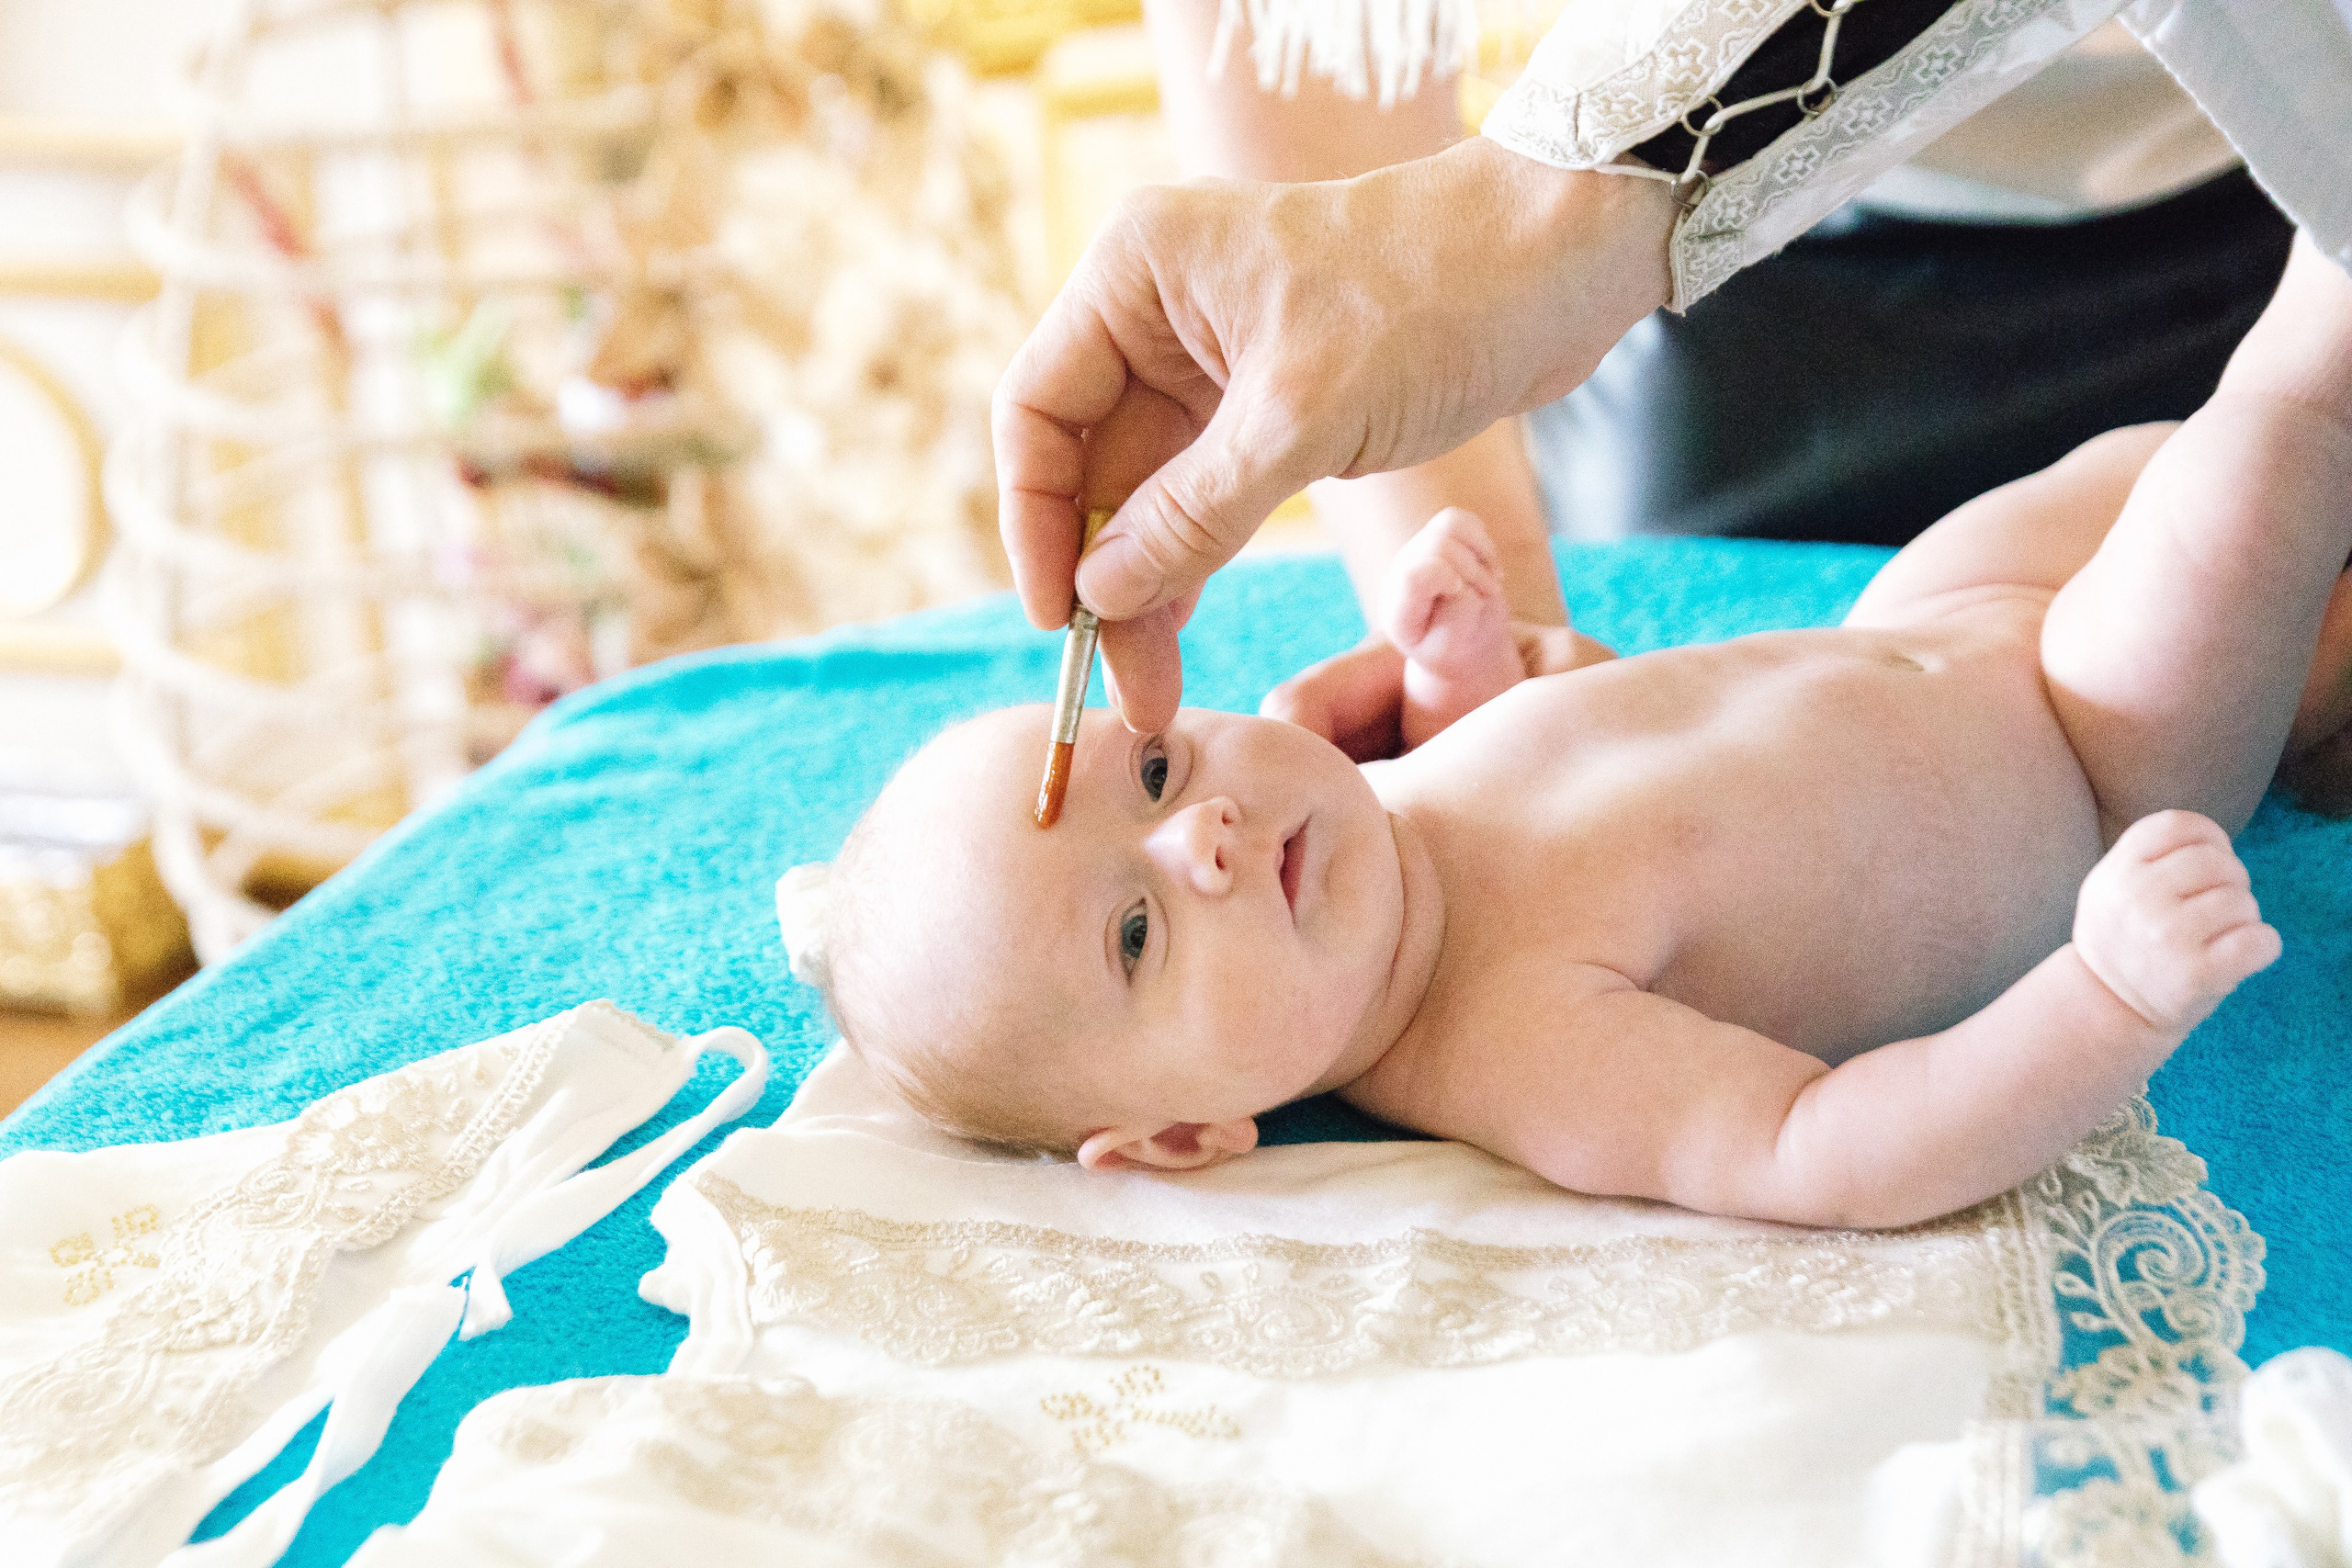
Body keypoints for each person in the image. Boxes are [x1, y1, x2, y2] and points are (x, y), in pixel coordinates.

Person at [801, 236, 2352, 1228]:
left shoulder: (1396, 797)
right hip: (2092, 760)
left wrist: (1468, 667)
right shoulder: (1511, 1038)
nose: (1194, 834)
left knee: (2172, 463)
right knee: (2268, 433)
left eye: (1151, 769)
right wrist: (2105, 999)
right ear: (1188, 1133)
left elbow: (1607, 730)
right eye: (1136, 936)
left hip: (1925, 610)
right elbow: (1817, 1149)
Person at [994, 0, 2352, 748]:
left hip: (2282, 174)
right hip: (1758, 271)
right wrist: (1496, 675)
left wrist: (1561, 209)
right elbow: (1314, 48)